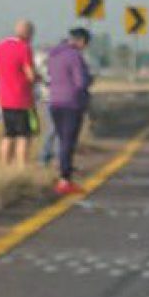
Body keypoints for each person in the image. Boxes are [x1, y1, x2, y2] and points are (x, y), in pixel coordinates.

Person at [47, 27, 93, 195]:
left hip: (55, 102)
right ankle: (64, 179)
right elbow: (80, 82)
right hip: (71, 104)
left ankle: (62, 175)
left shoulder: (54, 54)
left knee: (61, 139)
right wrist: (89, 79)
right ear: (81, 41)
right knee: (68, 142)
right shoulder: (75, 57)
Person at [0, 20, 38, 167]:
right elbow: (30, 74)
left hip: (4, 98)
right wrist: (39, 78)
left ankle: (3, 165)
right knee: (23, 135)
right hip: (22, 99)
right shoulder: (24, 48)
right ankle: (21, 166)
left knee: (8, 134)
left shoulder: (1, 46)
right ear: (28, 33)